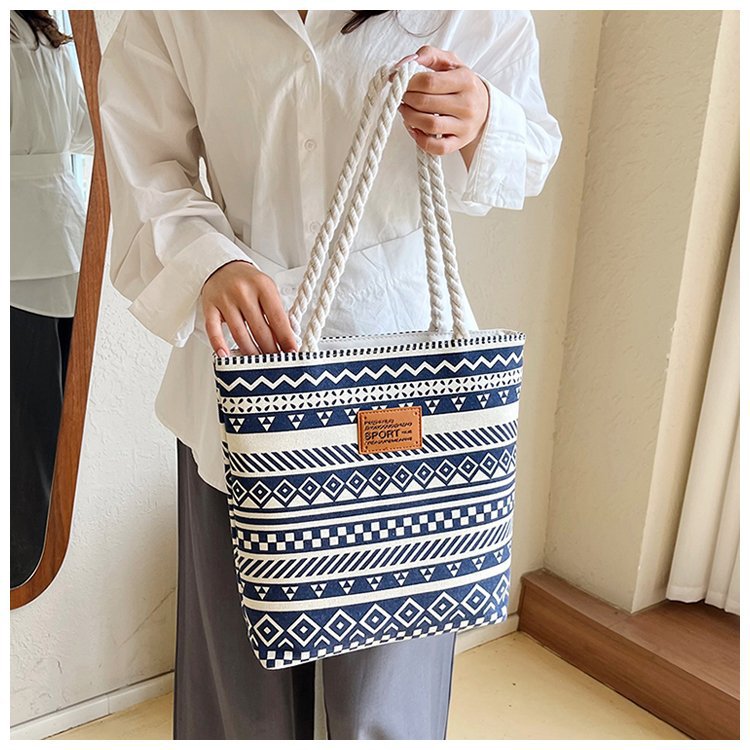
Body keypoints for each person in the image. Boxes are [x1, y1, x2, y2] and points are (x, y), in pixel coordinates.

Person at [97, 10, 562, 740]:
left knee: (383, 712)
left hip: (410, 396)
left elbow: (531, 145)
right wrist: (207, 261)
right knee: (241, 702)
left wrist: (482, 117)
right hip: (244, 380)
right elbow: (142, 157)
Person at [10, 9, 94, 587]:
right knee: (30, 445)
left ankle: (31, 578)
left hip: (61, 242)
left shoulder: (51, 21)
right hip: (27, 255)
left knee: (47, 442)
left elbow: (88, 126)